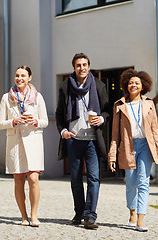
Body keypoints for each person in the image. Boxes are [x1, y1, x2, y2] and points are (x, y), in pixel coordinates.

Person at [55, 53, 109, 229]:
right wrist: (63, 131)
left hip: (92, 140)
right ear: (74, 67)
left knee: (94, 178)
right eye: (78, 65)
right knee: (76, 180)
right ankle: (79, 212)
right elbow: (59, 113)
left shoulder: (99, 86)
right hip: (74, 139)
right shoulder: (65, 86)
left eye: (85, 64)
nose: (82, 68)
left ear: (89, 66)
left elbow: (107, 111)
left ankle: (90, 215)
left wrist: (101, 119)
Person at [108, 68, 158, 232]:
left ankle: (141, 219)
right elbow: (114, 134)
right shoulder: (119, 105)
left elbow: (155, 131)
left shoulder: (149, 104)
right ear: (126, 85)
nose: (134, 85)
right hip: (127, 147)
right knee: (131, 183)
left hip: (146, 146)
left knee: (143, 182)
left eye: (137, 83)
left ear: (142, 86)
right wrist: (112, 155)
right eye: (131, 82)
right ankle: (132, 212)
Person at [0, 65, 48, 227]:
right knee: (18, 180)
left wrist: (35, 121)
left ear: (29, 78)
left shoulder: (37, 97)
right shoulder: (7, 98)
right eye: (17, 75)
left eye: (23, 76)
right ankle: (24, 216)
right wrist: (13, 121)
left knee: (33, 178)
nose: (20, 78)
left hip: (33, 140)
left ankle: (34, 215)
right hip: (15, 142)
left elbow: (45, 121)